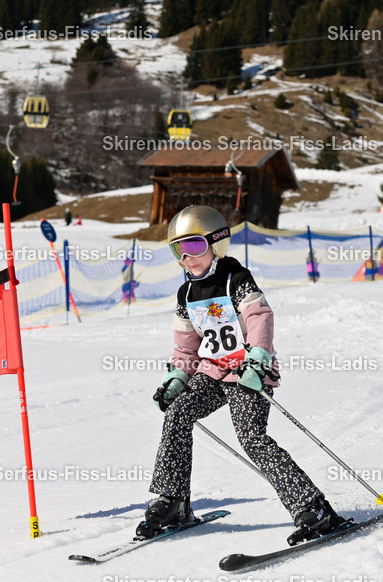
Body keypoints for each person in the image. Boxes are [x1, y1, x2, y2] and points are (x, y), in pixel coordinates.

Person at [140, 205, 343, 546]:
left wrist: (258, 359)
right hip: (213, 372)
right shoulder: (185, 294)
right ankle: (172, 501)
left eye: (194, 247)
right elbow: (187, 346)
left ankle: (313, 508)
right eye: (179, 249)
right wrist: (177, 378)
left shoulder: (236, 279)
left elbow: (260, 316)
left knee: (252, 438)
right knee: (177, 414)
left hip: (248, 371)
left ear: (216, 243)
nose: (186, 257)